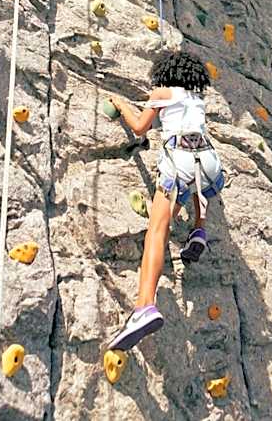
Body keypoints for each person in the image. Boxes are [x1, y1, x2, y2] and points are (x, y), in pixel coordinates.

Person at [105, 49, 225, 351]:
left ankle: (145, 306)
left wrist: (120, 104)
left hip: (179, 158)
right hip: (209, 159)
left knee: (157, 231)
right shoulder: (198, 100)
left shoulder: (162, 92)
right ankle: (199, 228)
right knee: (200, 182)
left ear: (165, 72)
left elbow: (139, 127)